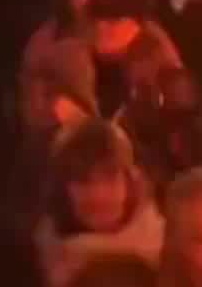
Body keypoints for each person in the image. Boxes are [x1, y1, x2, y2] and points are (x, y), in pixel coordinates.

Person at [34, 118, 164, 287]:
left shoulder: (168, 249)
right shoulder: (43, 256)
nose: (98, 195)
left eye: (110, 178)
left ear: (130, 180)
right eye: (82, 180)